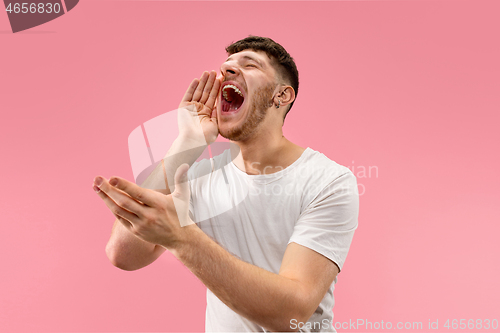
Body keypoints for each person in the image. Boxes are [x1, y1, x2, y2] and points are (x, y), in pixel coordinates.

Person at [93, 36, 359, 332]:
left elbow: (291, 313)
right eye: (227, 67)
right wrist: (187, 142)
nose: (228, 71)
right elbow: (123, 254)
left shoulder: (328, 181)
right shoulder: (197, 177)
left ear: (282, 96)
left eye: (249, 65)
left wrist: (181, 237)